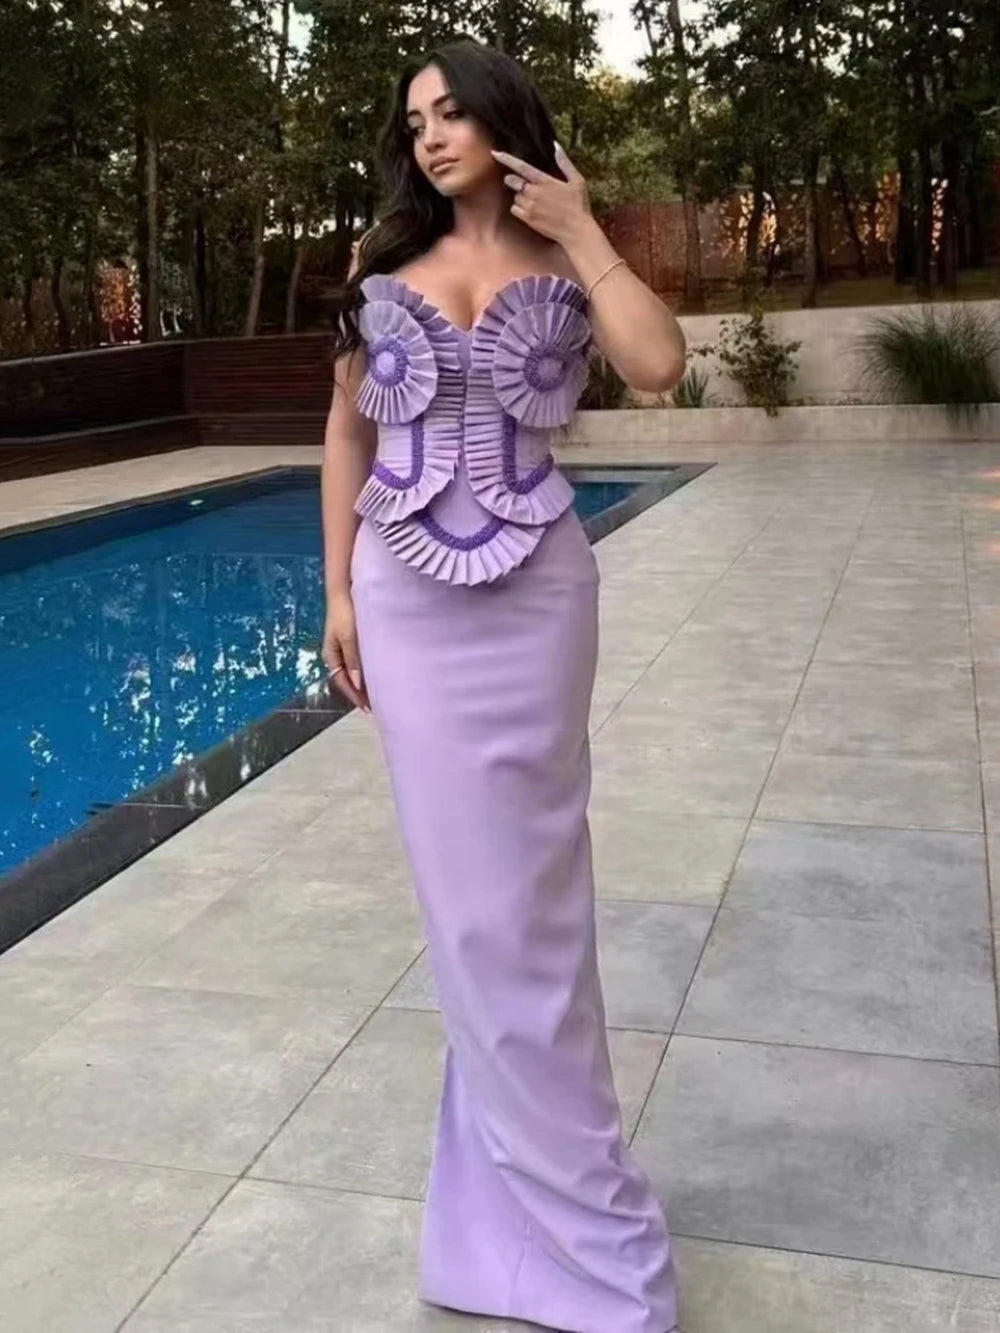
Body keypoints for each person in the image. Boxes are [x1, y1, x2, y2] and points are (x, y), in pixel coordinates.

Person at [321, 36, 687, 1333]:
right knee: (470, 913)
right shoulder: (379, 263)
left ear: (501, 120)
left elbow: (660, 365)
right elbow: (347, 429)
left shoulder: (566, 257)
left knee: (538, 903)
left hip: (541, 598)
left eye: (451, 111)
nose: (429, 135)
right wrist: (338, 592)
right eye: (412, 118)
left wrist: (584, 229)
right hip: (407, 601)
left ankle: (557, 1226)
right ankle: (510, 1229)